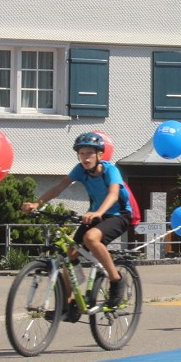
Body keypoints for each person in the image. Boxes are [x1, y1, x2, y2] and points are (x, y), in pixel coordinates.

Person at [22, 132, 133, 310]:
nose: (85, 157)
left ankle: (116, 280)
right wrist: (37, 203)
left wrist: (98, 212)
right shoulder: (80, 170)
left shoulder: (110, 170)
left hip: (118, 215)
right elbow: (59, 187)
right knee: (69, 256)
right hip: (96, 215)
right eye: (81, 153)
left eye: (89, 153)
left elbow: (113, 194)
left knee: (91, 238)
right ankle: (68, 306)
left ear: (99, 155)